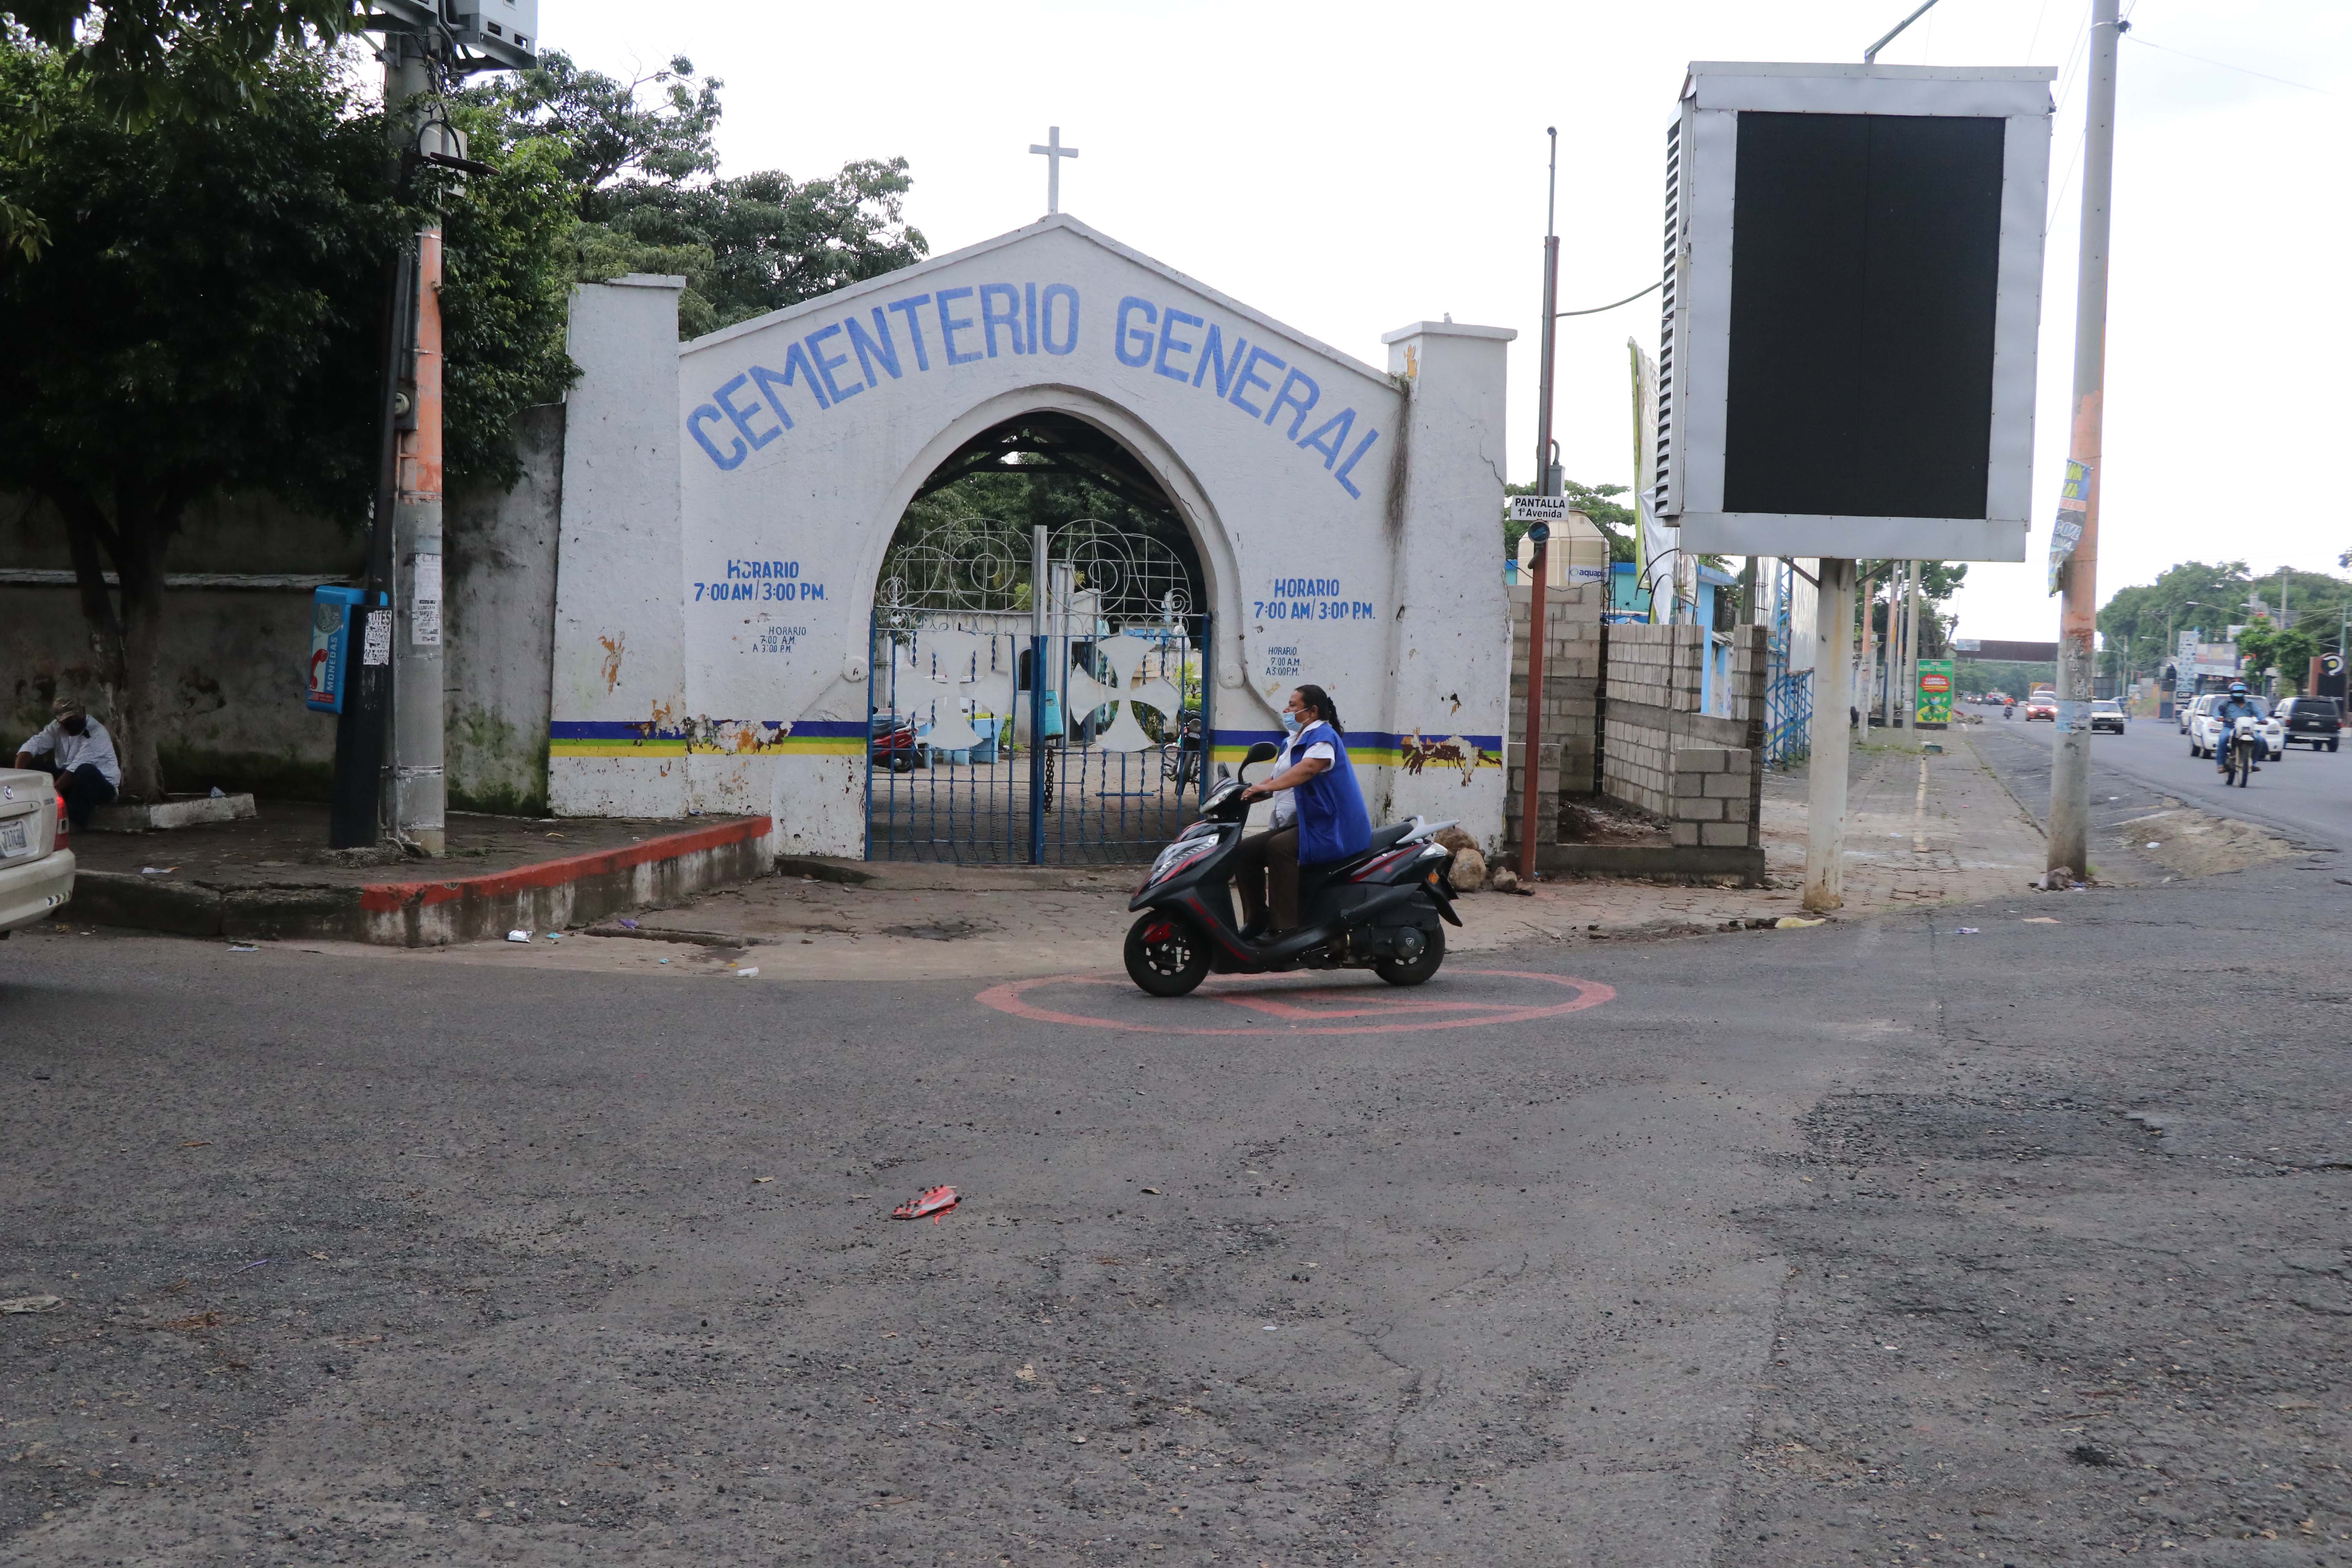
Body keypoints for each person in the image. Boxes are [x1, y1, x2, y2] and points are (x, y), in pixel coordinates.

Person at [1230, 684, 1370, 935]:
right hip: (1305, 823)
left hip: (1330, 826)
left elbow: (1307, 770)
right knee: (1244, 851)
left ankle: (1284, 929)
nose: (1287, 710)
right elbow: (1276, 781)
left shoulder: (1323, 736)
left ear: (1312, 711)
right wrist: (1242, 794)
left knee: (1279, 847)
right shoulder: (1292, 742)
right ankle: (1256, 920)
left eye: (1293, 705)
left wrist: (1268, 786)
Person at [15, 695, 123, 829]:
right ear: (60, 722)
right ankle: (23, 804)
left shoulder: (97, 732)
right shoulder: (57, 728)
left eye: (76, 717)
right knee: (33, 768)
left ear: (83, 711)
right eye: (68, 719)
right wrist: (18, 774)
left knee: (85, 771)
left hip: (102, 786)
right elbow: (33, 745)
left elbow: (74, 770)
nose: (73, 721)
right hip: (71, 781)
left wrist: (48, 797)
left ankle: (73, 822)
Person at [2211, 681, 2265, 775]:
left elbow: (2259, 711)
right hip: (2230, 728)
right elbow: (2217, 712)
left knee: (2260, 740)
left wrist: (2263, 719)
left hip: (2248, 729)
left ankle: (2253, 763)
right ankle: (2221, 765)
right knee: (2223, 739)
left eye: (2241, 692)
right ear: (2231, 693)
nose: (2239, 694)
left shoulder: (2250, 703)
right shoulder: (2226, 703)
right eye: (2237, 692)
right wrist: (2219, 717)